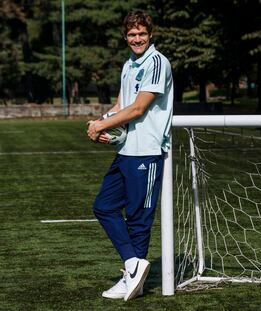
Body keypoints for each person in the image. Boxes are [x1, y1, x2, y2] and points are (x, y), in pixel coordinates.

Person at [87, 9, 173, 301]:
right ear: (126, 37)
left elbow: (138, 109)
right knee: (104, 206)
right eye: (132, 34)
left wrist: (103, 124)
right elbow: (122, 104)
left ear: (150, 35)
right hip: (126, 150)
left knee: (138, 219)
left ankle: (131, 279)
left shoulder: (157, 63)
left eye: (142, 34)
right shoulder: (129, 64)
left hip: (147, 151)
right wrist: (103, 123)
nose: (137, 39)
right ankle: (133, 265)